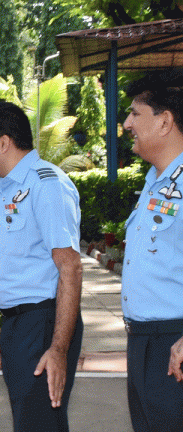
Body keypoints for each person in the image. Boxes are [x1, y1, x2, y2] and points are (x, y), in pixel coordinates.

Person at [0, 102, 83, 432]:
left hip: (43, 321)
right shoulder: (3, 191)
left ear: (4, 143)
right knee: (28, 421)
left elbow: (70, 267)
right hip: (16, 327)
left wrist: (58, 349)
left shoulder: (47, 184)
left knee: (40, 423)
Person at [121, 71, 183, 432]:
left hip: (175, 343)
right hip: (142, 341)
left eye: (135, 113)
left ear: (164, 122)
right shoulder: (154, 181)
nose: (127, 124)